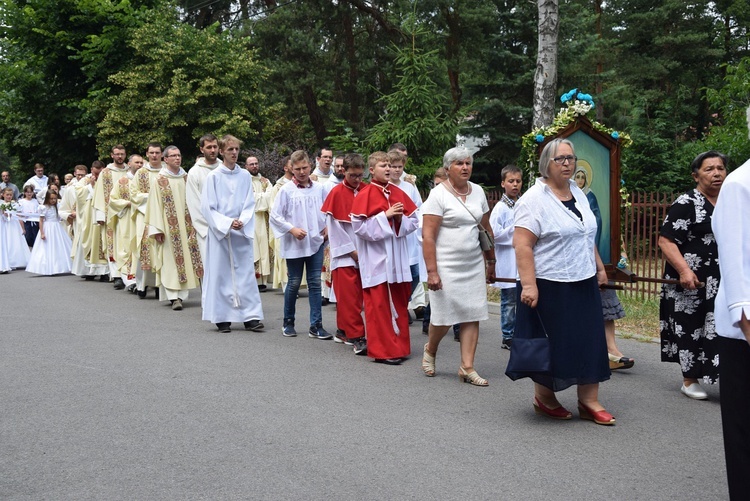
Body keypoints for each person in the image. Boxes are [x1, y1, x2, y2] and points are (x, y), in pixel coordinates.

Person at [506, 138, 613, 425]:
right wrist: (529, 285)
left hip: (583, 279)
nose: (567, 163)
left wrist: (599, 268)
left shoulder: (577, 192)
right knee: (552, 343)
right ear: (546, 164)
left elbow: (584, 233)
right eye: (560, 159)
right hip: (548, 282)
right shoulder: (533, 199)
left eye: (570, 158)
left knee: (589, 339)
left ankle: (589, 400)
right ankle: (545, 398)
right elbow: (522, 244)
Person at [421, 147, 495, 384]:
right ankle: (431, 349)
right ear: (447, 168)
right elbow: (428, 236)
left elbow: (486, 228)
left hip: (472, 262)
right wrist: (432, 272)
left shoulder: (479, 192)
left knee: (472, 313)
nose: (465, 167)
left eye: (468, 163)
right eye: (459, 164)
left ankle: (467, 367)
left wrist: (491, 260)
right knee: (443, 317)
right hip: (446, 265)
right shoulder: (438, 195)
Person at [658, 151, 727, 399]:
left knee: (720, 326)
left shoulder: (731, 200)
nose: (717, 173)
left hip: (722, 278)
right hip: (691, 280)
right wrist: (685, 270)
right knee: (691, 326)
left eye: (720, 168)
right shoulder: (687, 203)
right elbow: (666, 241)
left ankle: (724, 376)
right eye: (709, 169)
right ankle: (689, 380)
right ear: (695, 175)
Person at [712, 107, 750, 500]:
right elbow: (735, 259)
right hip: (744, 329)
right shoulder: (741, 184)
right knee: (744, 428)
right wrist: (747, 319)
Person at [351, 151, 418, 364]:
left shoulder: (397, 192)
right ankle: (384, 351)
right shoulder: (365, 194)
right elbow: (359, 227)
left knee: (398, 303)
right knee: (379, 306)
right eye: (383, 165)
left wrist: (399, 219)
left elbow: (414, 221)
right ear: (372, 170)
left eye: (389, 164)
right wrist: (385, 216)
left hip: (397, 259)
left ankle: (399, 347)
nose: (388, 168)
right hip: (377, 260)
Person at [200, 135, 264, 333]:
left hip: (240, 233)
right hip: (222, 233)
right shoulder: (213, 177)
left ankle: (250, 316)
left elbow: (249, 202)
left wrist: (242, 221)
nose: (234, 153)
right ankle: (222, 318)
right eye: (230, 150)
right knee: (222, 275)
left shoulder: (245, 176)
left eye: (236, 149)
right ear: (221, 152)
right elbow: (208, 207)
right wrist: (227, 223)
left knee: (245, 275)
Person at [269, 150, 331, 339]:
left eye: (305, 168)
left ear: (310, 166)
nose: (302, 172)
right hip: (295, 243)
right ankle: (288, 322)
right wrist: (291, 229)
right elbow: (275, 215)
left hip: (315, 242)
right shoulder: (286, 190)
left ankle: (316, 325)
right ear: (291, 169)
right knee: (294, 283)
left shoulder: (319, 189)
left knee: (314, 283)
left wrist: (328, 226)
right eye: (297, 169)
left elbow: (329, 210)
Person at [145, 145, 204, 311]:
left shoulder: (187, 178)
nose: (177, 158)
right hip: (169, 229)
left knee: (189, 259)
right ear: (166, 159)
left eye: (179, 155)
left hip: (188, 226)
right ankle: (173, 297)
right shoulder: (160, 180)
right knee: (171, 261)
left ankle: (183, 295)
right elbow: (154, 205)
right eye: (173, 156)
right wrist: (157, 229)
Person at [321, 153, 367, 354]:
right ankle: (357, 337)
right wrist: (352, 251)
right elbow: (335, 228)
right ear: (343, 171)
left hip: (365, 251)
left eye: (359, 175)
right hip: (345, 253)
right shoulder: (336, 193)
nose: (357, 180)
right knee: (349, 297)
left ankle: (342, 330)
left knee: (356, 296)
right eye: (352, 176)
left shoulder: (367, 190)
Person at [388, 149, 424, 323]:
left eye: (399, 167)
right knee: (395, 276)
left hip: (409, 236)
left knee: (415, 274)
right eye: (393, 167)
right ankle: (396, 307)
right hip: (393, 237)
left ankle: (403, 303)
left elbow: (418, 208)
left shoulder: (409, 187)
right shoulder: (385, 186)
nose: (396, 170)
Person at [490, 164, 522, 350]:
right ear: (503, 183)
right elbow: (494, 234)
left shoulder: (522, 205)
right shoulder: (500, 208)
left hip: (521, 260)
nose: (515, 185)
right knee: (509, 301)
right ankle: (508, 335)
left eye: (518, 181)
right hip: (508, 260)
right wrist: (515, 231)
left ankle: (519, 331)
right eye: (511, 181)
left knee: (521, 299)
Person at [131, 143, 165, 299]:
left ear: (162, 154)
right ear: (147, 154)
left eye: (157, 152)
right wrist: (152, 199)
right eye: (152, 153)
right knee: (143, 250)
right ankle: (142, 285)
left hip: (163, 217)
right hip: (144, 217)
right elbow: (134, 195)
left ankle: (160, 285)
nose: (155, 155)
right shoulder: (141, 173)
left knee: (161, 251)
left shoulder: (167, 172)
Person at [93, 145, 129, 289]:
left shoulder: (131, 170)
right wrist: (100, 215)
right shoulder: (105, 173)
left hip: (128, 213)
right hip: (111, 215)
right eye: (117, 154)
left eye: (122, 154)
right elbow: (99, 193)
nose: (120, 156)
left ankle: (129, 275)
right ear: (111, 155)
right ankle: (116, 276)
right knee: (112, 244)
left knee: (127, 244)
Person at [108, 154, 143, 291]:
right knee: (127, 248)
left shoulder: (145, 180)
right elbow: (113, 200)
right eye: (136, 162)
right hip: (127, 220)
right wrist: (127, 203)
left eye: (141, 163)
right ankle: (130, 281)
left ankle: (143, 280)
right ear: (129, 164)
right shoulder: (122, 181)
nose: (139, 165)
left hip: (142, 219)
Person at [186, 134, 221, 259]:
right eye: (209, 147)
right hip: (207, 231)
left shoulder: (225, 169)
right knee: (210, 269)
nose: (212, 150)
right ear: (202, 149)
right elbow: (194, 204)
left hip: (227, 229)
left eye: (215, 147)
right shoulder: (195, 172)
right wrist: (211, 228)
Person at [75, 161, 109, 280]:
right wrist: (91, 186)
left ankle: (105, 272)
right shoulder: (85, 180)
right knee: (90, 239)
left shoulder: (108, 178)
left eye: (100, 172)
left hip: (104, 211)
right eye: (95, 172)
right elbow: (78, 194)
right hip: (90, 214)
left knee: (103, 240)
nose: (97, 174)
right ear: (91, 169)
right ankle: (90, 271)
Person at [25, 190, 72, 275]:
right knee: (47, 247)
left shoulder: (58, 206)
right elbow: (41, 220)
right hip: (48, 228)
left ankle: (58, 266)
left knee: (58, 246)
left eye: (55, 198)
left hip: (57, 228)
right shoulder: (44, 207)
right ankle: (47, 267)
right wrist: (42, 232)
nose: (53, 200)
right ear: (47, 198)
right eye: (51, 199)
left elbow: (59, 218)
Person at [245, 156, 272, 291]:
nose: (254, 166)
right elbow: (248, 199)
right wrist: (263, 197)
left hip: (264, 219)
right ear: (246, 166)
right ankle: (253, 280)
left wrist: (259, 198)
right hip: (250, 219)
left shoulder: (266, 181)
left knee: (264, 248)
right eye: (251, 164)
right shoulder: (244, 182)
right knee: (253, 248)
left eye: (256, 163)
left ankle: (264, 281)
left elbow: (270, 198)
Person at [268, 156, 295, 291]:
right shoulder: (278, 187)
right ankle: (286, 286)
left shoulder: (300, 184)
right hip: (284, 228)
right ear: (286, 168)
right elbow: (273, 209)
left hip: (297, 227)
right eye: (292, 164)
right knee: (284, 258)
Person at [0, 187, 30, 273]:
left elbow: (19, 216)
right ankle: (7, 261)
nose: (9, 197)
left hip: (14, 224)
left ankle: (18, 260)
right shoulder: (2, 204)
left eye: (10, 195)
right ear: (3, 195)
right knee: (7, 241)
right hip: (5, 225)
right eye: (7, 195)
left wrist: (23, 228)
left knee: (16, 241)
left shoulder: (15, 204)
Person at [573, 165, 602, 247]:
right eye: (578, 177)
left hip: (587, 232)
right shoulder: (569, 193)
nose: (580, 180)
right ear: (574, 178)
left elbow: (597, 217)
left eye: (583, 177)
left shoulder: (590, 195)